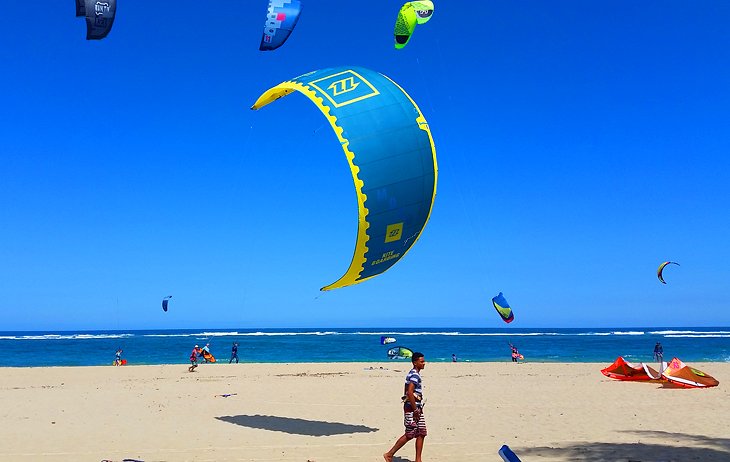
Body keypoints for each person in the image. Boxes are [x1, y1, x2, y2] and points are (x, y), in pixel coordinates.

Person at [384, 352, 427, 462]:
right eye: (421, 361)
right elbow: (409, 392)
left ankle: (418, 460)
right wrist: (415, 409)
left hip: (414, 407)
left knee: (421, 432)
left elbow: (406, 391)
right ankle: (389, 454)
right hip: (413, 409)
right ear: (415, 363)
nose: (424, 363)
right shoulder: (414, 375)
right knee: (410, 434)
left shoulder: (412, 373)